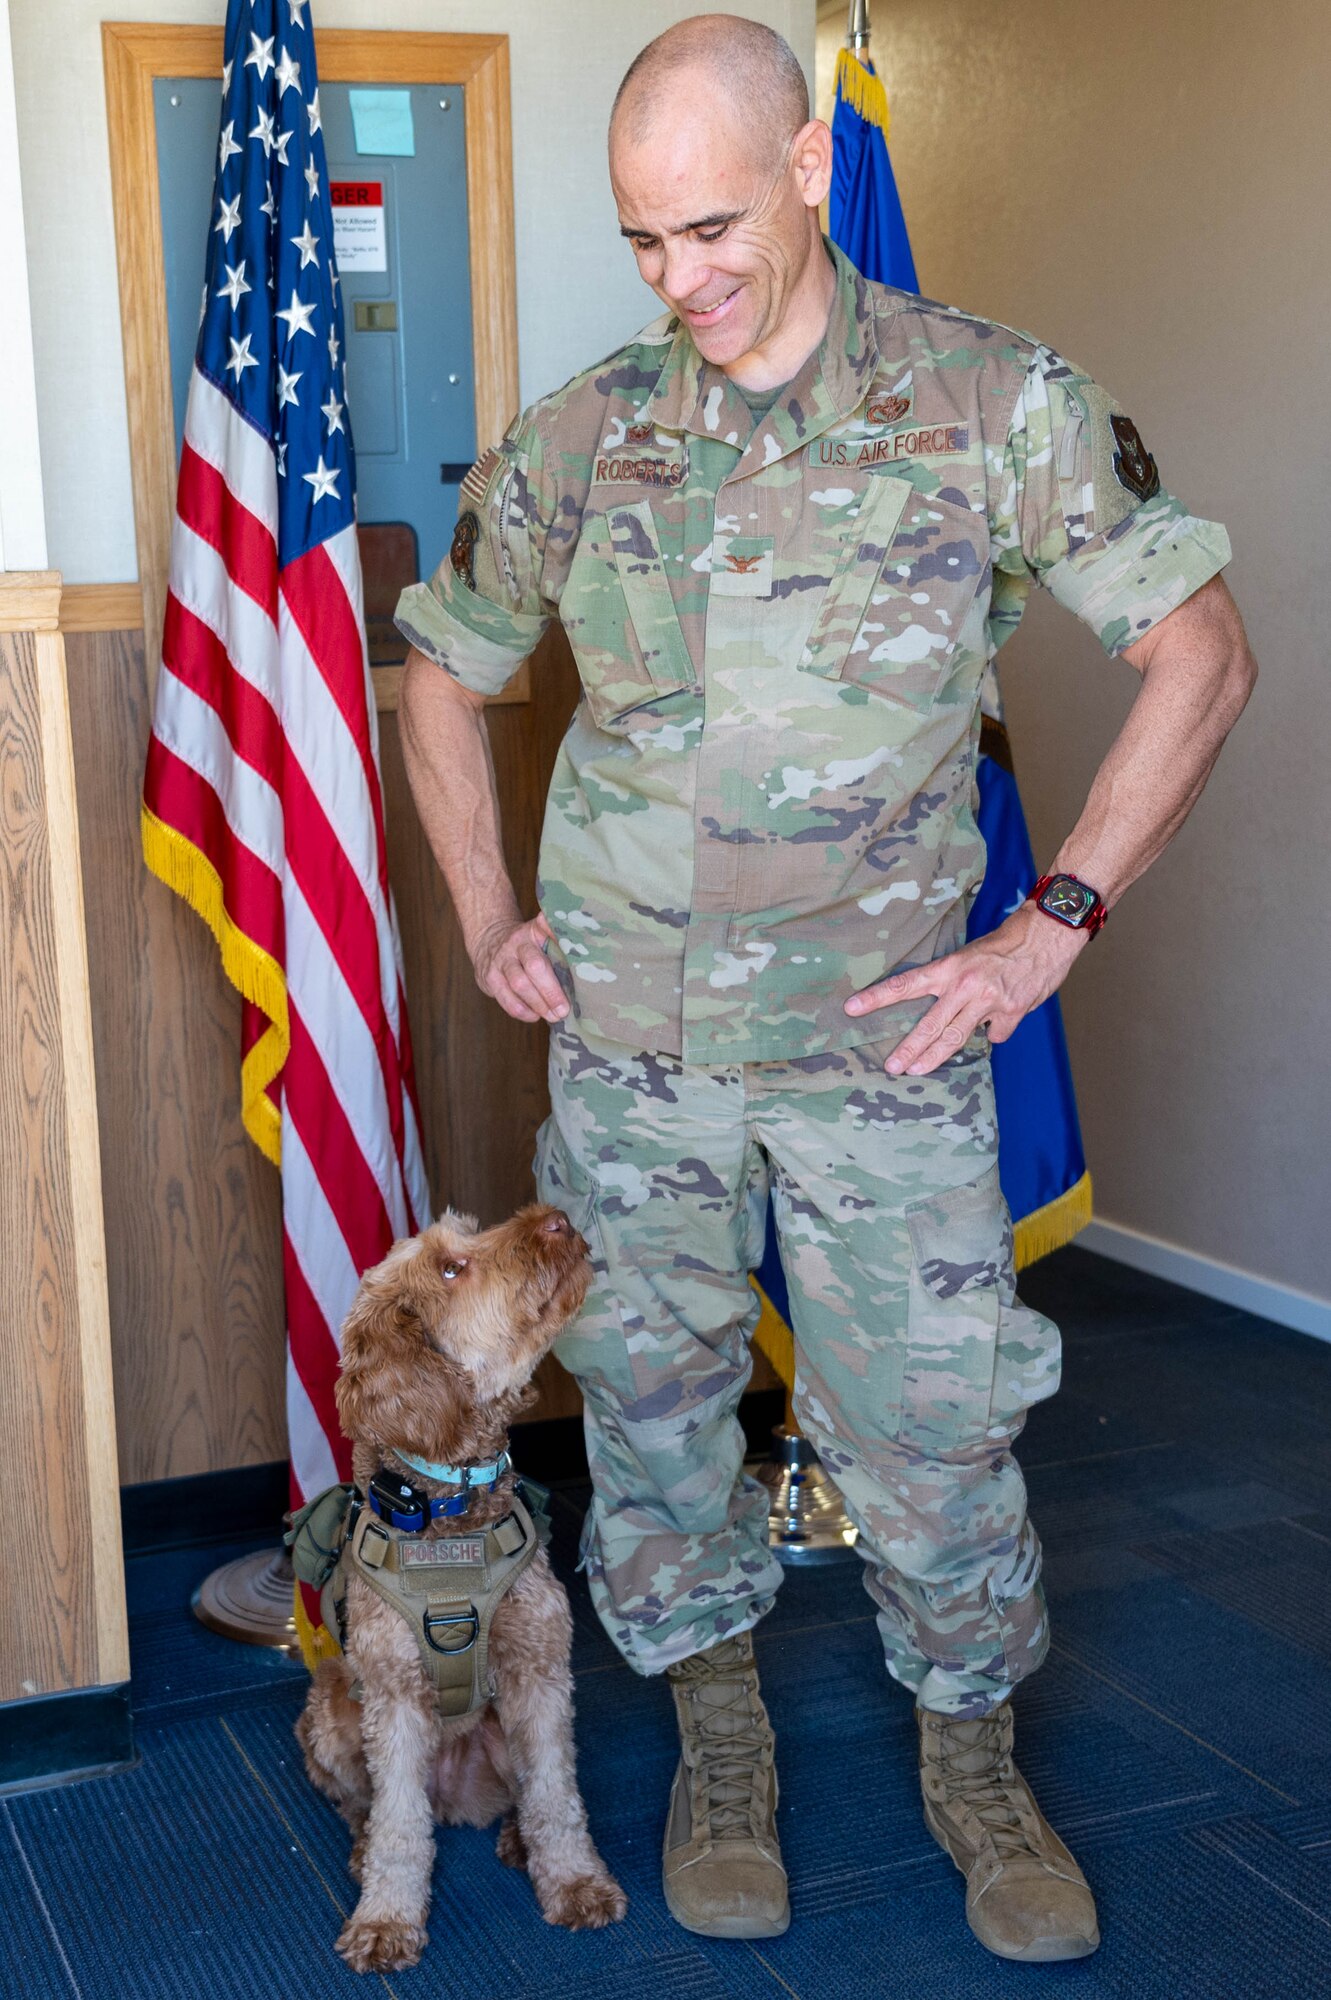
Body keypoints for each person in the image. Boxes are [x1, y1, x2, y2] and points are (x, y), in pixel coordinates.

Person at [394, 13, 1256, 1963]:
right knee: (656, 1416)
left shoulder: (991, 402)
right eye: (641, 242)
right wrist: (482, 913)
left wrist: (1053, 925)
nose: (677, 277)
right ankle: (720, 1748)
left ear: (806, 173)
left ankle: (975, 1761)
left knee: (936, 1427)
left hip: (892, 1059)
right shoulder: (592, 432)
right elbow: (442, 665)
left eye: (707, 226)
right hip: (636, 1071)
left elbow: (1200, 649)